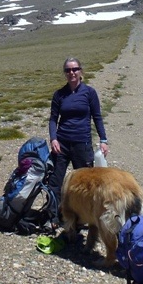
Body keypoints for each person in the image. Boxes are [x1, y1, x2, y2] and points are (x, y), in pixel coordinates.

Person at [45, 57, 109, 200]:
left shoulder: (89, 92)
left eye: (75, 69)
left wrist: (103, 139)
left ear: (80, 71)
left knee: (86, 183)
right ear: (65, 73)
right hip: (61, 144)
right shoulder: (59, 94)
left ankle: (85, 217)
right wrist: (53, 138)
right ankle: (55, 216)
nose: (71, 73)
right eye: (68, 70)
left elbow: (97, 117)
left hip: (82, 143)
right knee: (55, 181)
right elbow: (53, 119)